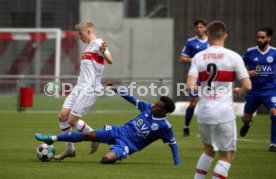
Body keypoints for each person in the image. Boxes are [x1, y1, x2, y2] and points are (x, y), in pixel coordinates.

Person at [35, 82, 180, 165]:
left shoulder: (164, 127)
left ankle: (116, 151)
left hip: (128, 145)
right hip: (119, 131)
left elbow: (173, 144)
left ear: (163, 111)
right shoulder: (147, 107)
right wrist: (117, 89)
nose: (154, 105)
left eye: (158, 106)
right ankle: (52, 139)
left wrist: (177, 162)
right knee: (88, 135)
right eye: (155, 103)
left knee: (106, 160)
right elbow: (131, 98)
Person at [187, 20, 251, 179]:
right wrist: (239, 90)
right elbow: (248, 86)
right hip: (223, 114)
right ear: (226, 36)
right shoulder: (233, 57)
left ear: (207, 35)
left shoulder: (198, 57)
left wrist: (204, 90)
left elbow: (189, 86)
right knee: (227, 156)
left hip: (204, 113)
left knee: (208, 151)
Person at [54, 21, 113, 160]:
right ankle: (69, 149)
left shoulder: (98, 42)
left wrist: (104, 52)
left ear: (89, 31)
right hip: (79, 86)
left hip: (89, 88)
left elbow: (110, 60)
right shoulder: (88, 48)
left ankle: (94, 136)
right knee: (62, 116)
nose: (80, 37)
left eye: (81, 34)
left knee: (72, 120)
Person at [239, 27, 276, 152]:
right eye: (258, 37)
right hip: (253, 91)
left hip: (270, 90)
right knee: (246, 118)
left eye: (262, 37)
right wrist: (247, 72)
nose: (259, 39)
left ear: (269, 38)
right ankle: (247, 123)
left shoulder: (274, 53)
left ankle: (273, 143)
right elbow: (239, 67)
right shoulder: (250, 52)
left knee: (275, 114)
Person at [180, 19, 208, 137]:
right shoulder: (190, 42)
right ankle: (186, 126)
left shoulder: (211, 42)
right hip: (195, 76)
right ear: (194, 29)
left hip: (209, 76)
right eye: (197, 27)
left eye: (201, 27)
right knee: (193, 103)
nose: (199, 29)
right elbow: (182, 59)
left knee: (208, 103)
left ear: (205, 28)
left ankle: (206, 130)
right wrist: (195, 59)